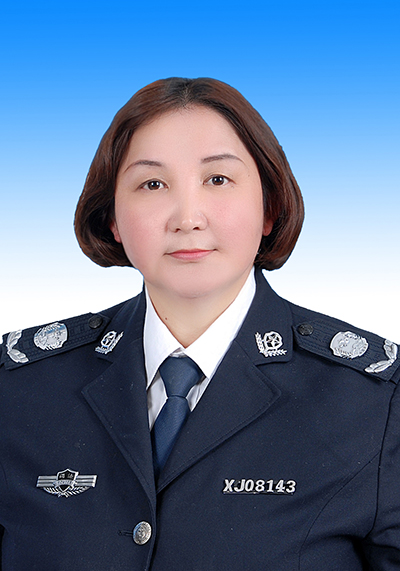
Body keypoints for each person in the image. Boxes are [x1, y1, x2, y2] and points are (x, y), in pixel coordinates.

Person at [0, 77, 399, 571]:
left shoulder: (376, 404)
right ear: (113, 220)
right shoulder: (19, 389)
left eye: (218, 180)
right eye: (152, 184)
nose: (187, 218)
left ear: (270, 208)